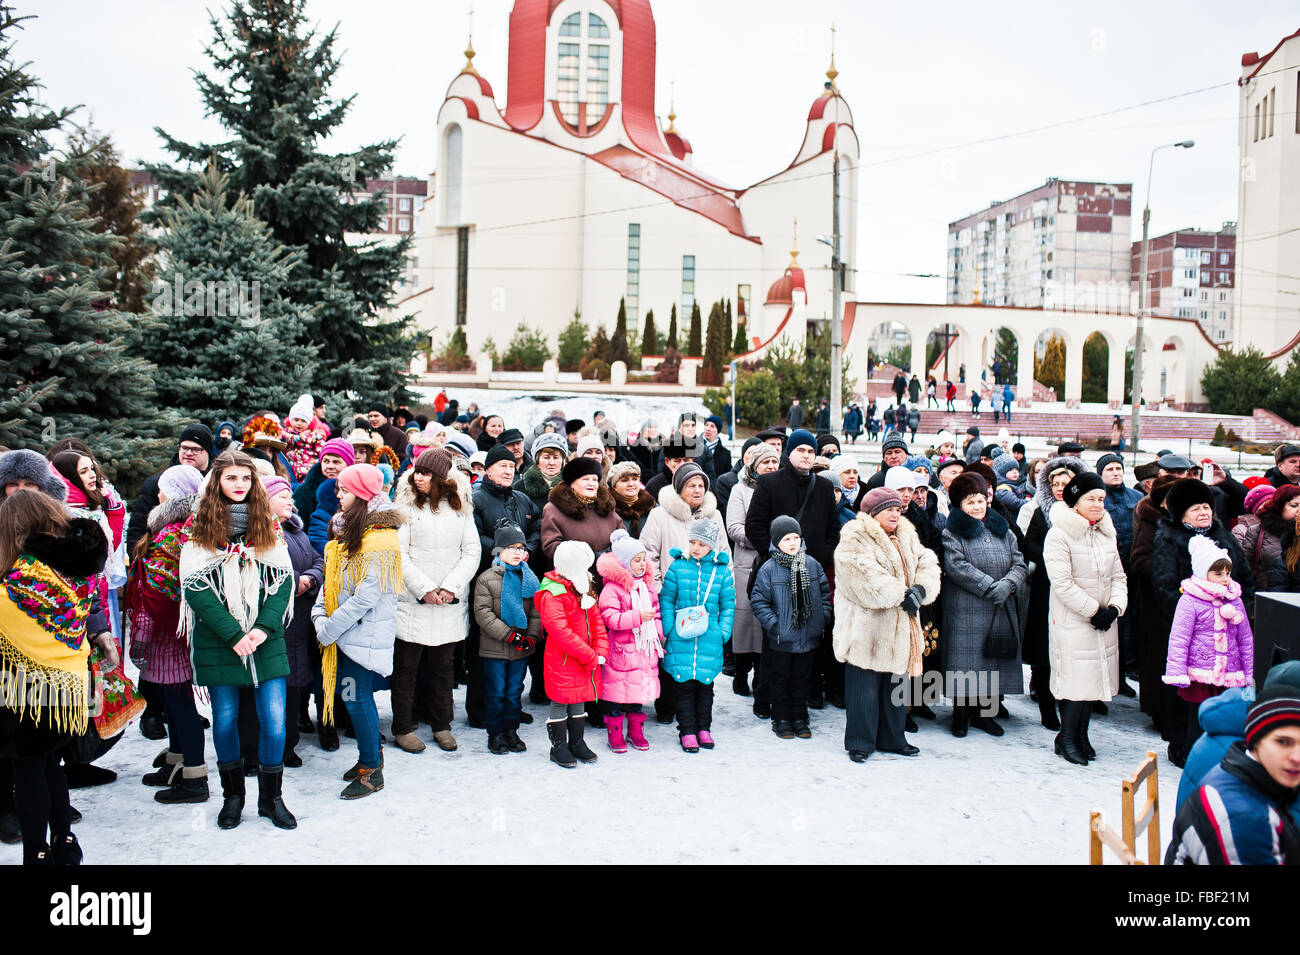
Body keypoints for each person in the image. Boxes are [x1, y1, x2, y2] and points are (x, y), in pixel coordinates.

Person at [180, 449, 296, 829]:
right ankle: (233, 798)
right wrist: (234, 634)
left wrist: (261, 629)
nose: (239, 485)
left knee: (274, 721)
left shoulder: (268, 527)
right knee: (226, 721)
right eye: (231, 478)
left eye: (245, 479)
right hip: (221, 640)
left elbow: (282, 581)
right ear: (217, 482)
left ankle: (271, 798)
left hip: (265, 638)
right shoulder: (199, 529)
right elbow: (195, 588)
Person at [0, 491, 109, 864]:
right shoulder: (75, 568)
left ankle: (37, 853)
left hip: (24, 687)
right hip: (68, 683)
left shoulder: (21, 576)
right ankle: (64, 842)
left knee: (28, 770)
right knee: (50, 764)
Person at [312, 463, 404, 799]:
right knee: (352, 697)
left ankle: (371, 770)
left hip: (362, 637)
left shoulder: (380, 541)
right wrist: (319, 616)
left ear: (363, 495)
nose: (338, 496)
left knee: (356, 697)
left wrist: (328, 629)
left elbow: (367, 597)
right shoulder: (347, 533)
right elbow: (331, 585)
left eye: (345, 490)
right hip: (344, 634)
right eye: (338, 489)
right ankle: (370, 757)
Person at [1151, 478, 1255, 767]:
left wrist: (1241, 609)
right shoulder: (1169, 537)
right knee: (1185, 693)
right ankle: (1180, 742)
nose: (1203, 513)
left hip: (1227, 630)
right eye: (1195, 508)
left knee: (1220, 693)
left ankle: (1218, 743)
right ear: (1180, 514)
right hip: (1188, 630)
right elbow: (1164, 586)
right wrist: (1197, 615)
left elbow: (1244, 578)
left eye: (1207, 507)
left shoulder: (1223, 535)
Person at [833, 487, 939, 761]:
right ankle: (860, 742)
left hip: (899, 626)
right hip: (866, 627)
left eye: (897, 508)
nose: (896, 512)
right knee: (864, 689)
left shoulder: (906, 533)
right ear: (873, 513)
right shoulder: (854, 536)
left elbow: (926, 560)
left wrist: (922, 589)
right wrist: (905, 595)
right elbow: (862, 576)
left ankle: (893, 738)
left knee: (895, 686)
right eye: (888, 509)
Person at [128, 465, 209, 800]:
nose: (156, 497)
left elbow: (157, 599)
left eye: (162, 491)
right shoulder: (183, 531)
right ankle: (177, 761)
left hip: (167, 639)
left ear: (173, 497)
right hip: (179, 635)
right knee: (175, 705)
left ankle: (194, 778)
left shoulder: (168, 538)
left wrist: (139, 643)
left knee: (181, 707)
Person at [743, 430, 841, 709]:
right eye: (801, 451)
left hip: (811, 572)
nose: (807, 456)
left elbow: (833, 531)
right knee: (774, 641)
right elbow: (755, 526)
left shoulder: (822, 487)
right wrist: (778, 557)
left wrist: (817, 558)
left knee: (809, 640)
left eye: (811, 452)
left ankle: (804, 695)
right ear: (789, 453)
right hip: (776, 574)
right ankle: (766, 698)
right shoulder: (770, 483)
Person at [392, 448, 480, 755]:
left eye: (426, 473)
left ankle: (442, 724)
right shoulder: (405, 507)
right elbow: (398, 553)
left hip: (447, 603)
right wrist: (424, 588)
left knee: (443, 669)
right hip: (414, 602)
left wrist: (451, 588)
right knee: (406, 669)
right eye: (417, 471)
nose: (419, 477)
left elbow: (471, 551)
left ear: (441, 478)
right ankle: (403, 726)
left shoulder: (460, 509)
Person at [1042, 472, 1128, 765]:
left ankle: (1081, 734)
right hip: (1074, 620)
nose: (1097, 504)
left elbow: (1119, 575)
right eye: (1090, 498)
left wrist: (1115, 608)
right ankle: (1067, 737)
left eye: (1101, 499)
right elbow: (1062, 583)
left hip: (1104, 620)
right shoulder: (1059, 534)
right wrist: (1094, 610)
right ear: (1075, 501)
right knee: (1076, 683)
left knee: (1093, 682)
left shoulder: (1105, 531)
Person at [1165, 686, 1300, 865]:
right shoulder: (1244, 819)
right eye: (1283, 742)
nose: (1296, 757)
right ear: (1254, 741)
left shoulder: (1240, 771)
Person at [940, 472, 1028, 737]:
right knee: (966, 663)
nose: (977, 507)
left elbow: (1019, 562)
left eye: (980, 500)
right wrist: (990, 586)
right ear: (959, 505)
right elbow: (957, 566)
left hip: (999, 606)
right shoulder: (951, 532)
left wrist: (1009, 584)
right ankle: (961, 714)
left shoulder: (1003, 529)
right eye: (970, 502)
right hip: (966, 608)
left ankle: (984, 714)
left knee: (992, 664)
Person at [1164, 538, 1253, 752]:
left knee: (1224, 718)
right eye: (1218, 573)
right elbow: (1179, 638)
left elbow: (1246, 639)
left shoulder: (1234, 598)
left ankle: (1218, 756)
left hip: (1229, 673)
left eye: (1227, 573)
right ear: (1204, 573)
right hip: (1200, 673)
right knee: (1198, 718)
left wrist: (1249, 673)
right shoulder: (1190, 599)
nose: (1224, 579)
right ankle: (1193, 753)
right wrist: (1177, 672)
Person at [1021, 456, 1087, 731]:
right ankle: (1046, 705)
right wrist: (1055, 559)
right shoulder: (1041, 511)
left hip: (1078, 586)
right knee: (1044, 649)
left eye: (1066, 483)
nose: (1060, 487)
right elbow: (1029, 545)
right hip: (1046, 587)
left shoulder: (1084, 511)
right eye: (1055, 483)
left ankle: (1069, 700)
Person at [751, 516, 831, 741]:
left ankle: (800, 716)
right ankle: (781, 718)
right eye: (786, 539)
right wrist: (774, 623)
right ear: (776, 542)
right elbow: (758, 600)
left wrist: (821, 617)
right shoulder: (769, 568)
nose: (793, 542)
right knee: (780, 678)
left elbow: (825, 593)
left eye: (796, 537)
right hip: (781, 637)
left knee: (801, 678)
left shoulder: (811, 564)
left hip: (807, 636)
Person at [262, 475, 322, 770]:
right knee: (278, 686)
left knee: (297, 681)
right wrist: (296, 581)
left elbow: (318, 560)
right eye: (283, 496)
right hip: (277, 623)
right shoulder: (261, 534)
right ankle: (275, 745)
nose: (290, 500)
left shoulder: (297, 531)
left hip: (301, 620)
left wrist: (310, 579)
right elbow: (265, 574)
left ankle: (290, 744)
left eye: (290, 496)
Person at [659, 519, 735, 753]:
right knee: (683, 685)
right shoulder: (678, 566)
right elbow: (667, 598)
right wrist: (670, 628)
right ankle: (687, 730)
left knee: (705, 686)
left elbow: (728, 603)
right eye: (692, 542)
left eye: (701, 544)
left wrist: (723, 632)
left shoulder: (721, 571)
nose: (695, 548)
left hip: (708, 638)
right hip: (681, 635)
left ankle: (704, 728)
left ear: (711, 545)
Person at [536, 541, 608, 769]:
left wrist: (601, 650)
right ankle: (558, 746)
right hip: (565, 660)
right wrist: (588, 655)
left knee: (579, 700)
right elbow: (560, 631)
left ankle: (577, 742)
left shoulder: (582, 587)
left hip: (585, 659)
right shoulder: (553, 594)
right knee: (561, 700)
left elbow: (597, 622)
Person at [473, 520, 542, 755]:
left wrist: (531, 636)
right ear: (498, 550)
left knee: (514, 691)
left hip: (521, 649)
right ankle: (495, 733)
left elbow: (535, 610)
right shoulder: (487, 578)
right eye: (512, 548)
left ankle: (511, 730)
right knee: (496, 691)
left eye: (521, 548)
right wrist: (509, 635)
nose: (518, 553)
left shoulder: (529, 578)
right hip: (495, 648)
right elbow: (483, 614)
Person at [595, 530, 664, 753]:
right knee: (617, 695)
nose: (642, 564)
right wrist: (637, 617)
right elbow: (610, 617)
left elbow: (657, 613)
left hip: (645, 650)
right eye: (636, 560)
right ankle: (614, 734)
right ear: (624, 563)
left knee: (638, 695)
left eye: (643, 559)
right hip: (622, 652)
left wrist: (658, 632)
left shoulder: (647, 587)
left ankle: (636, 731)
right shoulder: (612, 589)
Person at [727, 444, 780, 701]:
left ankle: (761, 673)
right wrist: (766, 541)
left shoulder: (780, 488)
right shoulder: (741, 489)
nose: (771, 466)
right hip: (748, 563)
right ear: (754, 465)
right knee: (745, 621)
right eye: (765, 462)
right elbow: (734, 527)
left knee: (765, 622)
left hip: (776, 564)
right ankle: (740, 672)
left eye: (774, 461)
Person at [127, 423, 214, 553]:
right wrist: (138, 559)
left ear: (207, 451)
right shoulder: (157, 482)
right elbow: (138, 527)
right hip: (157, 560)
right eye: (184, 448)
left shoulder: (215, 484)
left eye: (196, 449)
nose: (188, 453)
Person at [541, 457, 623, 569]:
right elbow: (551, 547)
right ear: (572, 483)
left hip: (608, 576)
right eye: (585, 479)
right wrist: (587, 556)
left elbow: (622, 538)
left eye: (594, 479)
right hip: (573, 578)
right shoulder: (554, 509)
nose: (591, 483)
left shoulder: (606, 506)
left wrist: (608, 556)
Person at [1234, 484, 1300, 595]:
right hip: (1265, 597)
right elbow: (1244, 570)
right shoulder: (1257, 531)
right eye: (1294, 505)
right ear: (1279, 507)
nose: (1299, 510)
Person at [515, 432, 567, 511]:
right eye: (546, 458)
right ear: (537, 462)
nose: (551, 463)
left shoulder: (573, 486)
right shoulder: (520, 487)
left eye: (556, 458)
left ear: (562, 462)